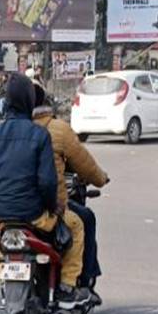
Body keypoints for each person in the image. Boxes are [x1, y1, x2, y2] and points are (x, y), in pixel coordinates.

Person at [0, 75, 89, 308]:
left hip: (4, 217)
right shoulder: (39, 135)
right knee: (77, 225)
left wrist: (4, 195)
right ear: (29, 101)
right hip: (36, 216)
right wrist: (53, 206)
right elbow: (47, 183)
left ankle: (4, 280)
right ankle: (68, 287)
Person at [32, 85, 110, 299]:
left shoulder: (13, 129)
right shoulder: (56, 129)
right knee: (84, 219)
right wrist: (100, 179)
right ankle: (80, 283)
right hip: (47, 206)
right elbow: (84, 163)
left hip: (13, 208)